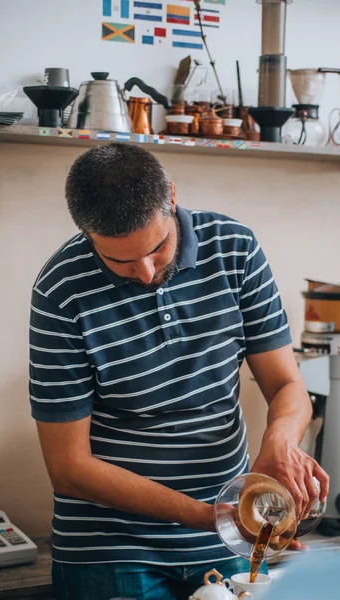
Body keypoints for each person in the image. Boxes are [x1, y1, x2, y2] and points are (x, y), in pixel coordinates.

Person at [29, 143, 329, 600]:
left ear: (171, 196)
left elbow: (288, 384)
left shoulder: (235, 249)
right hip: (111, 549)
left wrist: (279, 442)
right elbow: (69, 468)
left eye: (157, 248)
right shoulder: (60, 290)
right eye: (121, 262)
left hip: (230, 539)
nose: (147, 272)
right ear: (87, 234)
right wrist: (210, 516)